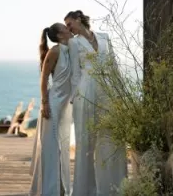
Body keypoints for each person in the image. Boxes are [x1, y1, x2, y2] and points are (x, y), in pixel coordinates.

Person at [65, 10, 127, 196]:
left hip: (109, 89)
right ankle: (86, 191)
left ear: (79, 19)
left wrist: (121, 92)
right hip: (86, 91)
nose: (68, 28)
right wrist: (76, 97)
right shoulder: (73, 43)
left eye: (69, 24)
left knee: (112, 138)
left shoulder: (104, 37)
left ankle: (114, 187)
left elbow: (114, 65)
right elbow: (75, 73)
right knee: (86, 141)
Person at [29, 23, 73, 196]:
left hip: (65, 107)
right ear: (60, 34)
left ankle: (61, 189)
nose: (69, 30)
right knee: (51, 149)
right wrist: (45, 103)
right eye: (65, 28)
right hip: (53, 105)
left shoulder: (71, 49)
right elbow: (44, 77)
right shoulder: (54, 51)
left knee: (62, 148)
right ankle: (48, 190)